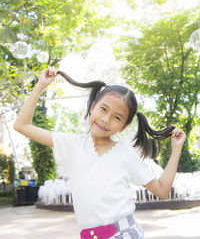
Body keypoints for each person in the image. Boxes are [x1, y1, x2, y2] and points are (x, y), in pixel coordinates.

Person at [14, 67, 186, 239]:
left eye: (117, 117)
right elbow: (22, 126)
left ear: (123, 126)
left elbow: (162, 190)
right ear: (93, 106)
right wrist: (40, 86)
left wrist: (176, 149)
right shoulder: (72, 144)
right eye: (103, 109)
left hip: (124, 233)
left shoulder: (125, 153)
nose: (106, 119)